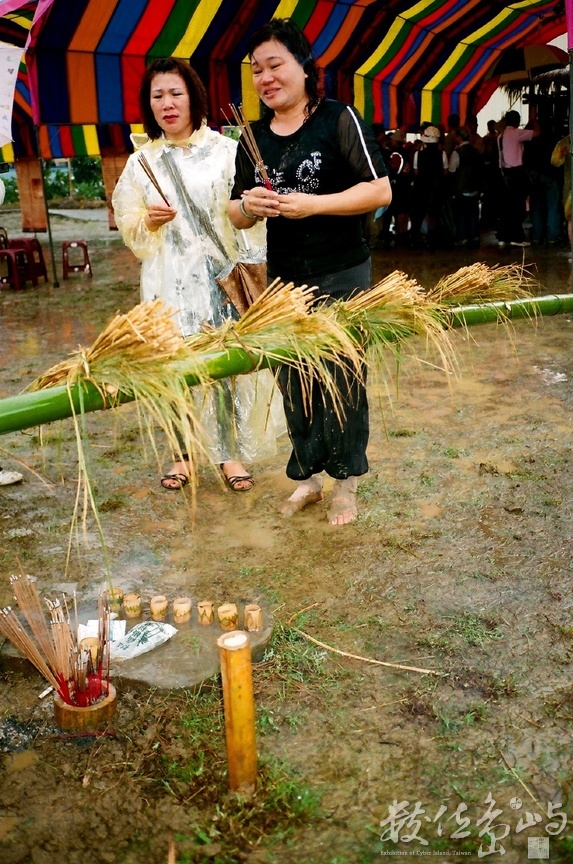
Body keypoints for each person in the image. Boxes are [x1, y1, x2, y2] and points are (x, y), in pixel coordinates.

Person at [228, 18, 391, 526]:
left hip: (342, 270)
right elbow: (233, 211)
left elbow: (379, 191)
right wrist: (251, 205)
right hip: (284, 279)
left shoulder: (339, 119)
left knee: (341, 374)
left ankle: (346, 483)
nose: (265, 78)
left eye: (275, 65)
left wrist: (313, 205)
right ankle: (309, 478)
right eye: (257, 70)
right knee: (295, 377)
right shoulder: (252, 137)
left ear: (303, 67)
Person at [112, 57, 276, 492]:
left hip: (220, 280)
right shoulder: (140, 161)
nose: (167, 103)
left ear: (193, 97)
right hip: (167, 283)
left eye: (175, 93)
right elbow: (126, 218)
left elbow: (247, 212)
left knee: (222, 368)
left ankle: (228, 454)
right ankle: (181, 454)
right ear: (149, 105)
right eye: (158, 96)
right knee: (175, 368)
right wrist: (146, 220)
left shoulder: (226, 151)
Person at [496, 107, 540, 248]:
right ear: (517, 122)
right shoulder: (516, 134)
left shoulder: (501, 135)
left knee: (506, 207)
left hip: (504, 174)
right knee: (518, 207)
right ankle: (517, 237)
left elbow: (523, 133)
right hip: (517, 173)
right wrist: (533, 120)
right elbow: (537, 133)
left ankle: (504, 236)